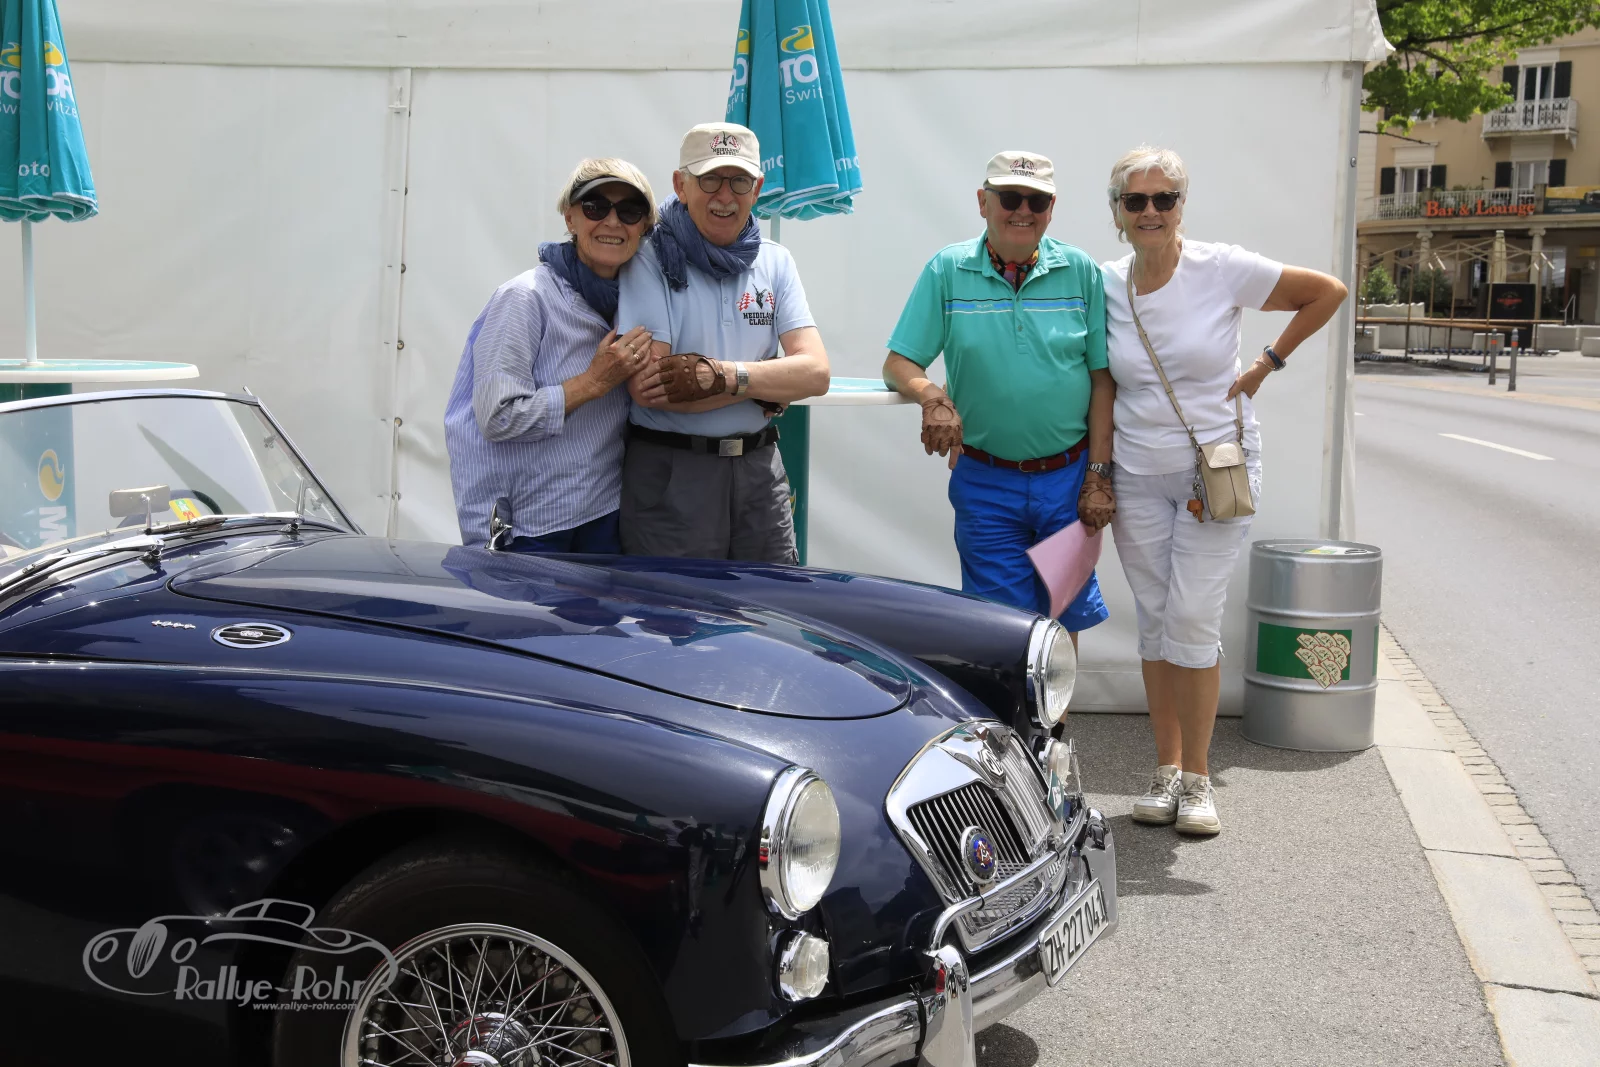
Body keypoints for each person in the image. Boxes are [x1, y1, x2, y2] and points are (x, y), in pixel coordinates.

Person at [1101, 145, 1347, 835]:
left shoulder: (1219, 267)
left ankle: (1199, 778)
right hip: (1137, 474)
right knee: (1156, 619)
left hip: (1214, 470)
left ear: (1182, 205)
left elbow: (1327, 291)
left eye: (1165, 199)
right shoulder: (1105, 282)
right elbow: (1100, 380)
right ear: (1117, 211)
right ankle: (1165, 770)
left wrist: (1267, 363)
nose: (1151, 211)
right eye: (1136, 200)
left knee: (1191, 618)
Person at [882, 150, 1117, 646]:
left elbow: (1102, 380)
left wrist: (1098, 475)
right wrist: (932, 397)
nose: (1023, 210)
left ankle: (1053, 707)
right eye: (1010, 197)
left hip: (1067, 480)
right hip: (986, 482)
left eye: (1037, 200)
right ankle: (1013, 705)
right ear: (982, 202)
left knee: (1062, 623)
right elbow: (899, 363)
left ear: (1052, 208)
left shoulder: (1080, 270)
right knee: (999, 630)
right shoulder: (947, 270)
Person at [617, 122, 830, 563]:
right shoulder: (648, 257)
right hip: (672, 473)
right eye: (710, 179)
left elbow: (816, 373)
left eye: (739, 181)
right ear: (681, 185)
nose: (725, 195)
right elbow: (652, 388)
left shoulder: (776, 260)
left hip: (760, 472)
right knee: (675, 605)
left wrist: (724, 377)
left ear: (758, 189)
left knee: (772, 602)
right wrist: (766, 385)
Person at [444, 158, 658, 552]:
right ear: (570, 217)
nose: (612, 221)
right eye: (595, 207)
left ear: (644, 226)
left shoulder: (640, 302)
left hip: (605, 515)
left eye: (629, 211)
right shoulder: (525, 298)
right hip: (531, 526)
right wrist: (592, 383)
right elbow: (497, 417)